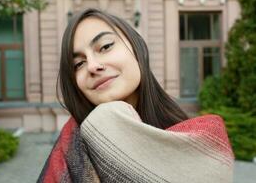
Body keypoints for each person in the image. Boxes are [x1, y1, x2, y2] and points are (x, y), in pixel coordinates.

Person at [37, 9, 234, 183]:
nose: (92, 66)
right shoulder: (69, 149)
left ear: (136, 47)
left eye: (105, 47)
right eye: (78, 64)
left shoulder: (203, 143)